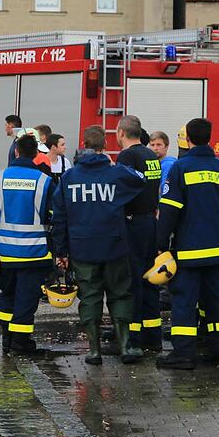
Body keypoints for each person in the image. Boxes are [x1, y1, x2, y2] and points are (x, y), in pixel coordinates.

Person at [52, 125, 146, 365]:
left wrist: (61, 252)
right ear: (104, 147)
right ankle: (125, 347)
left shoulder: (69, 178)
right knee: (120, 295)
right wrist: (115, 165)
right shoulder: (115, 173)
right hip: (114, 245)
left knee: (90, 298)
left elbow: (59, 217)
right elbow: (140, 181)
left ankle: (94, 351)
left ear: (82, 145)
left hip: (82, 249)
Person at [156, 118, 219, 370]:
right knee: (217, 301)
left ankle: (183, 354)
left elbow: (170, 209)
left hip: (192, 250)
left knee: (184, 300)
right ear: (209, 137)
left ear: (189, 139)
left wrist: (160, 242)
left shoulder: (181, 168)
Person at [0, 133, 57, 355]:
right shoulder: (44, 181)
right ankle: (20, 343)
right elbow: (54, 217)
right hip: (35, 253)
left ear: (16, 152)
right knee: (26, 298)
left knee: (7, 294)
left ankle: (7, 338)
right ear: (35, 155)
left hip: (6, 253)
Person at [115, 115, 164, 351]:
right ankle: (153, 336)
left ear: (122, 132)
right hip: (149, 222)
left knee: (131, 282)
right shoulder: (149, 154)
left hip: (133, 223)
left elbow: (121, 190)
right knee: (150, 280)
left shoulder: (127, 156)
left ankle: (131, 338)